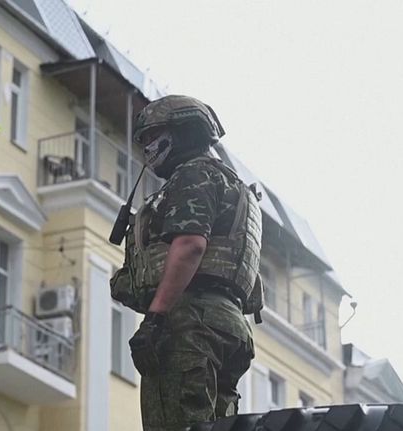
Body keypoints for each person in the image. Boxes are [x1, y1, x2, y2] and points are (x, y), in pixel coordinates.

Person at [110, 95, 264, 430]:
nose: (147, 148)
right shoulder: (234, 186)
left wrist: (155, 317)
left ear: (184, 132)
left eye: (153, 136)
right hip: (228, 325)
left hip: (190, 321)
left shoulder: (194, 175)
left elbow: (191, 245)